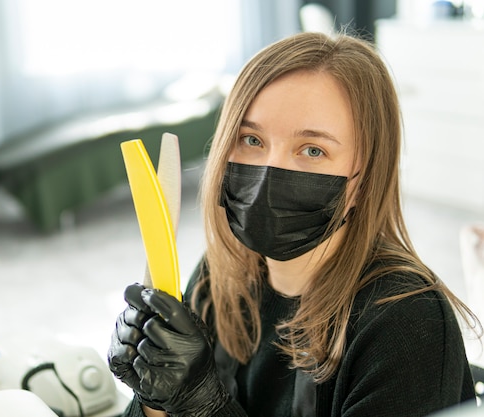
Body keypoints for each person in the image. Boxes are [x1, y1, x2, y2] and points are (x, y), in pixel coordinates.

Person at [107, 31, 481, 417]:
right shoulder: (217, 278)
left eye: (313, 150)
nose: (269, 174)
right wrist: (154, 395)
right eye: (251, 140)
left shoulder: (408, 325)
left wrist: (202, 404)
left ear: (365, 178)